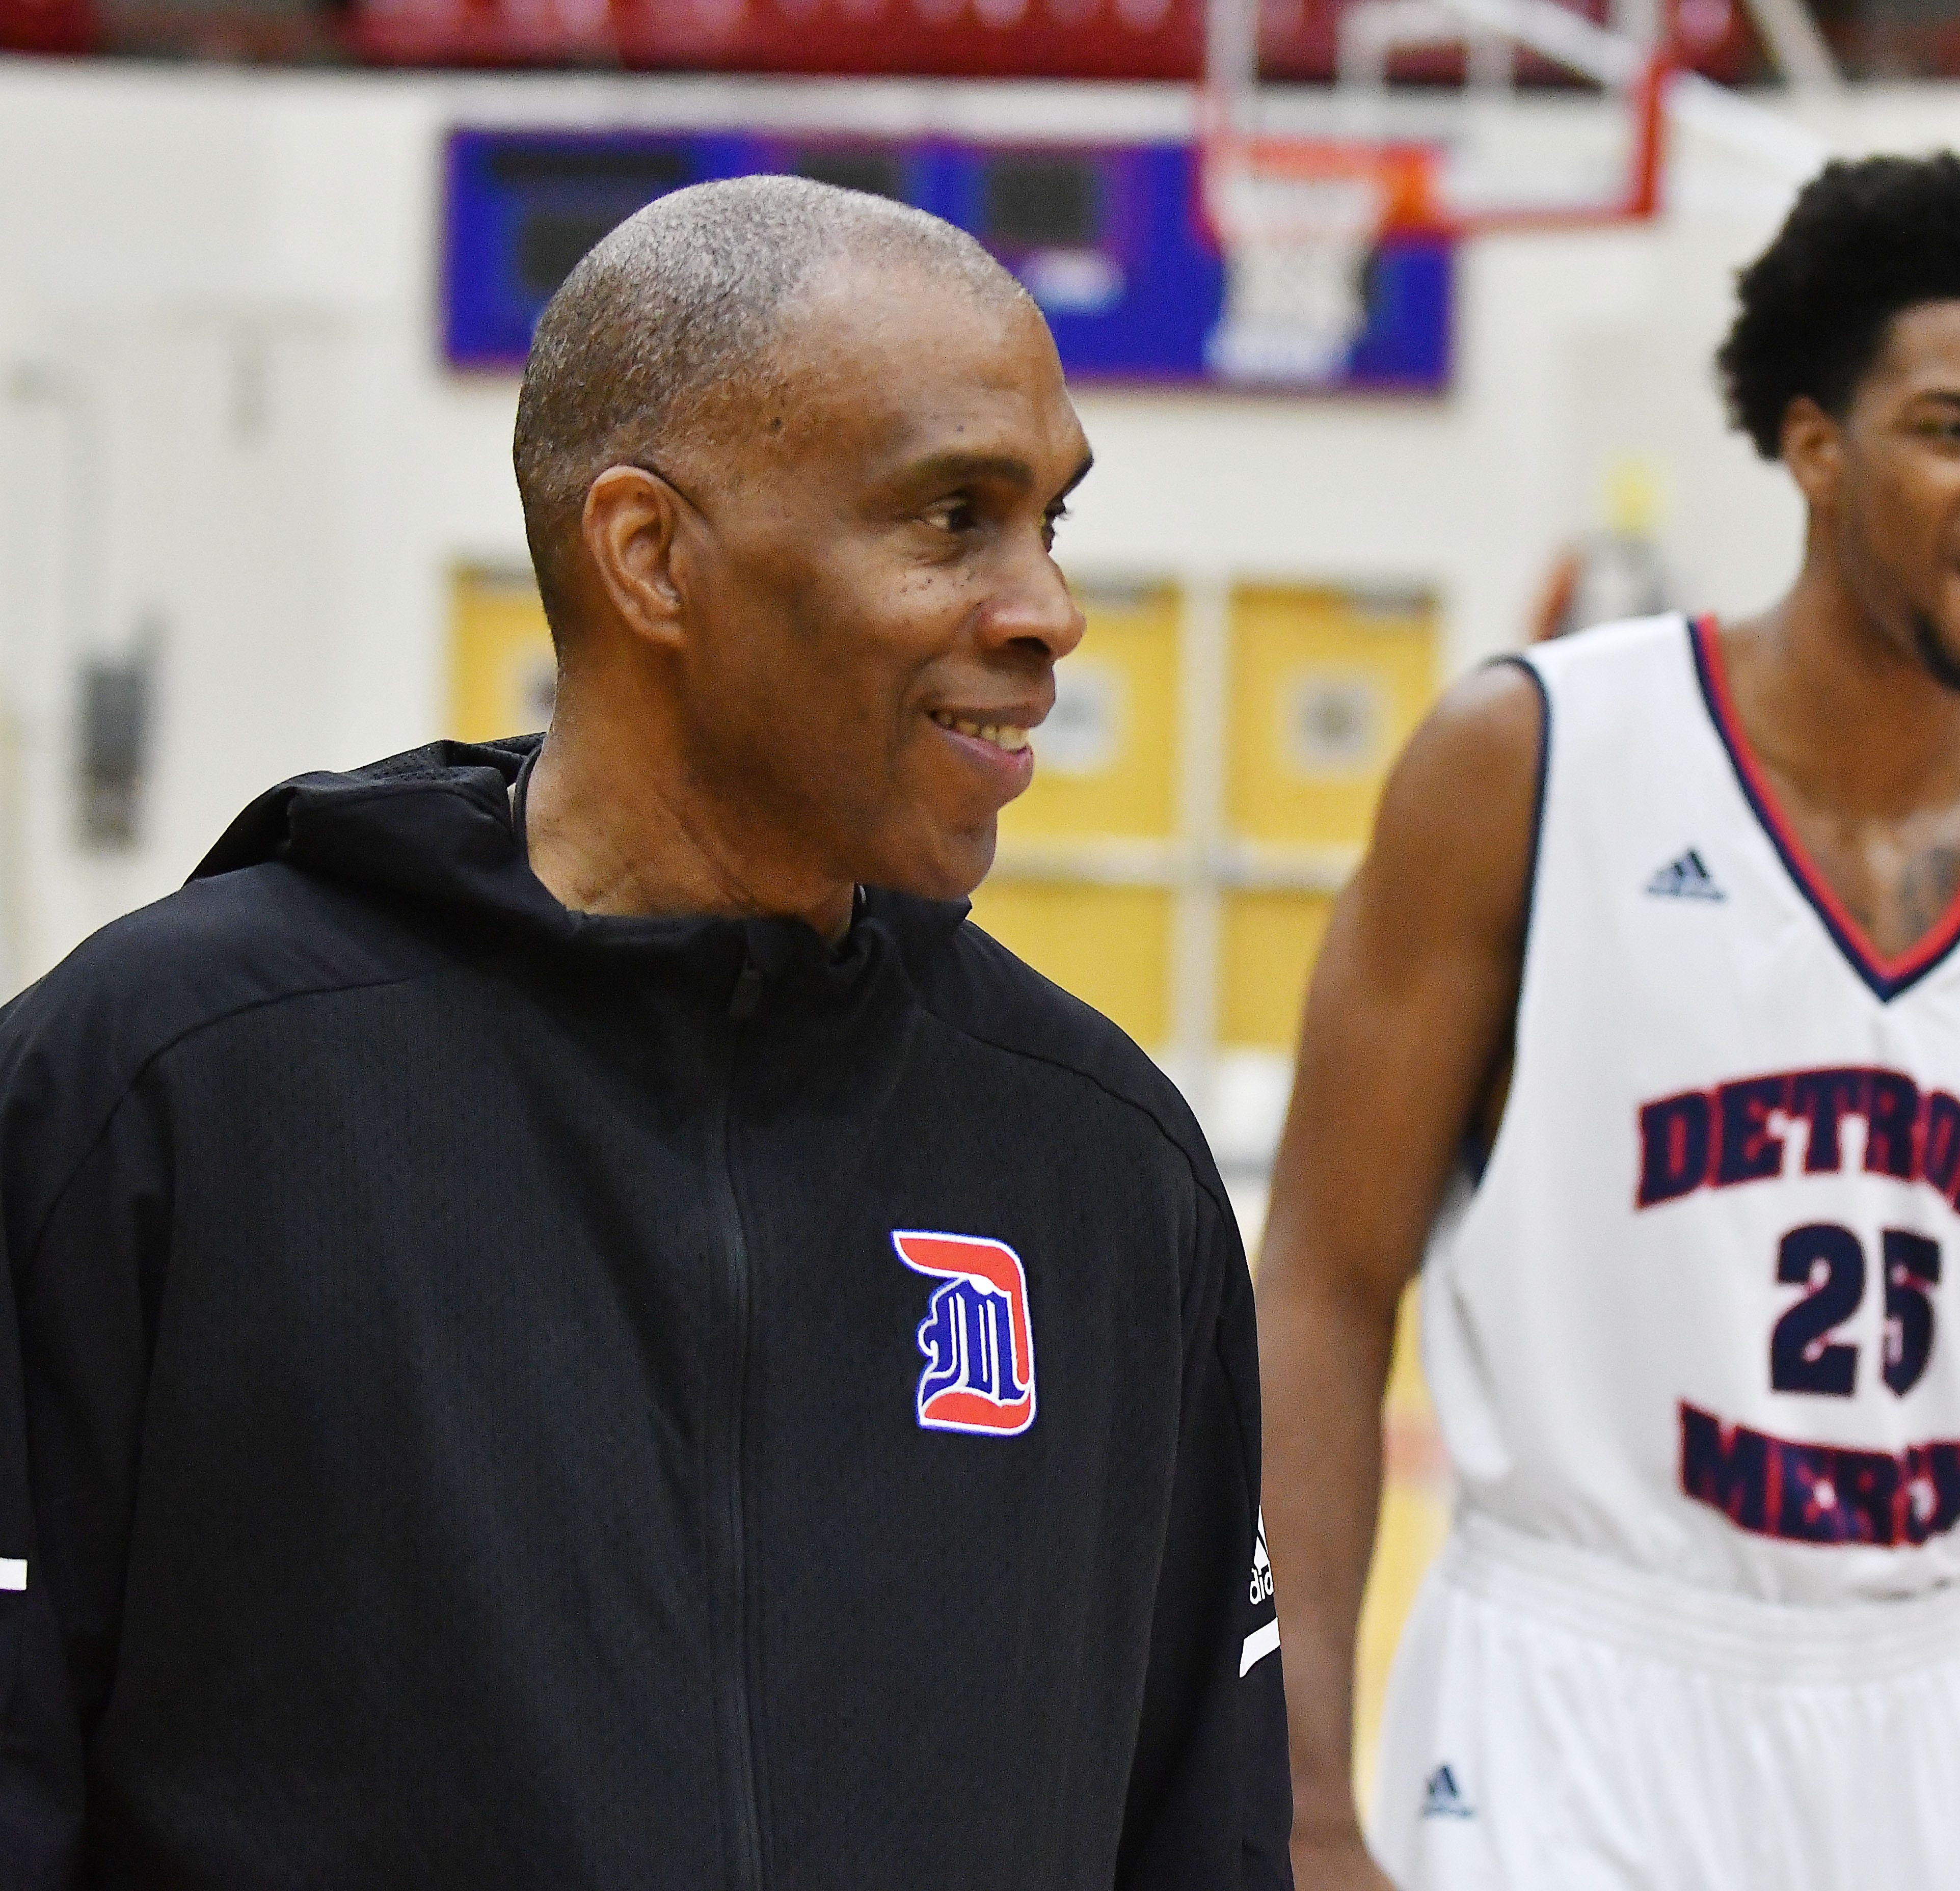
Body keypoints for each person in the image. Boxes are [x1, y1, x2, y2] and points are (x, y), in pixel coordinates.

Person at [0, 177, 1290, 1888]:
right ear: (648, 555)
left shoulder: (1099, 1166)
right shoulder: (157, 1091)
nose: (1045, 609)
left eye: (1050, 520)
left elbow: (1197, 1828)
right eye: (952, 517)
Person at [1258, 153, 1960, 1891]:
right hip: (1577, 1679)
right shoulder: (1534, 756)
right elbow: (1322, 1283)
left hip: (1921, 1699)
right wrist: (1296, 1793)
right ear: (1815, 447)